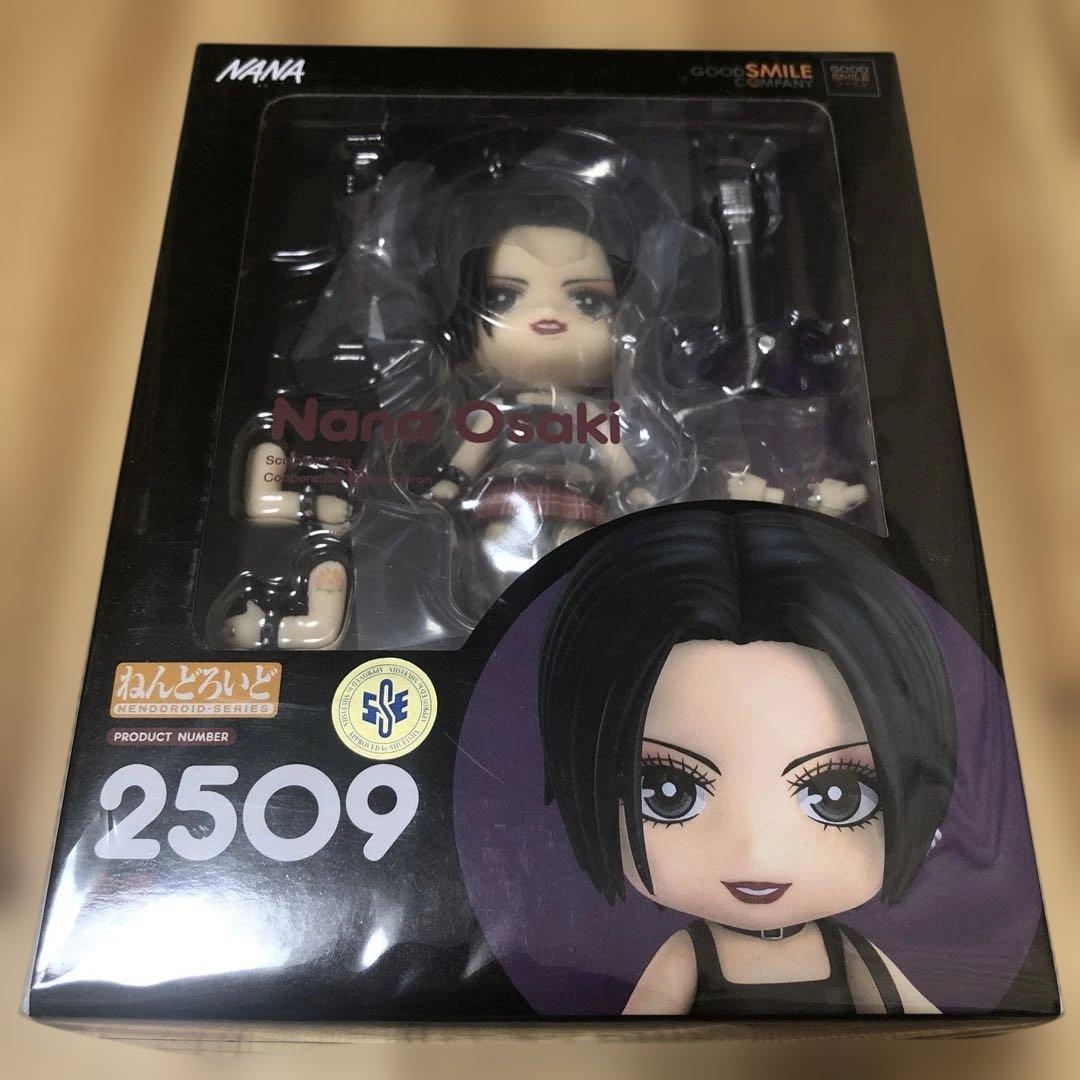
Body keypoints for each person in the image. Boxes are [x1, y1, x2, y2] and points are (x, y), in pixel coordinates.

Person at [538, 506, 956, 1016]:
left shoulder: (849, 954)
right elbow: (639, 1036)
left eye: (837, 796)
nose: (758, 851)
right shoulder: (691, 956)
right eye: (669, 792)